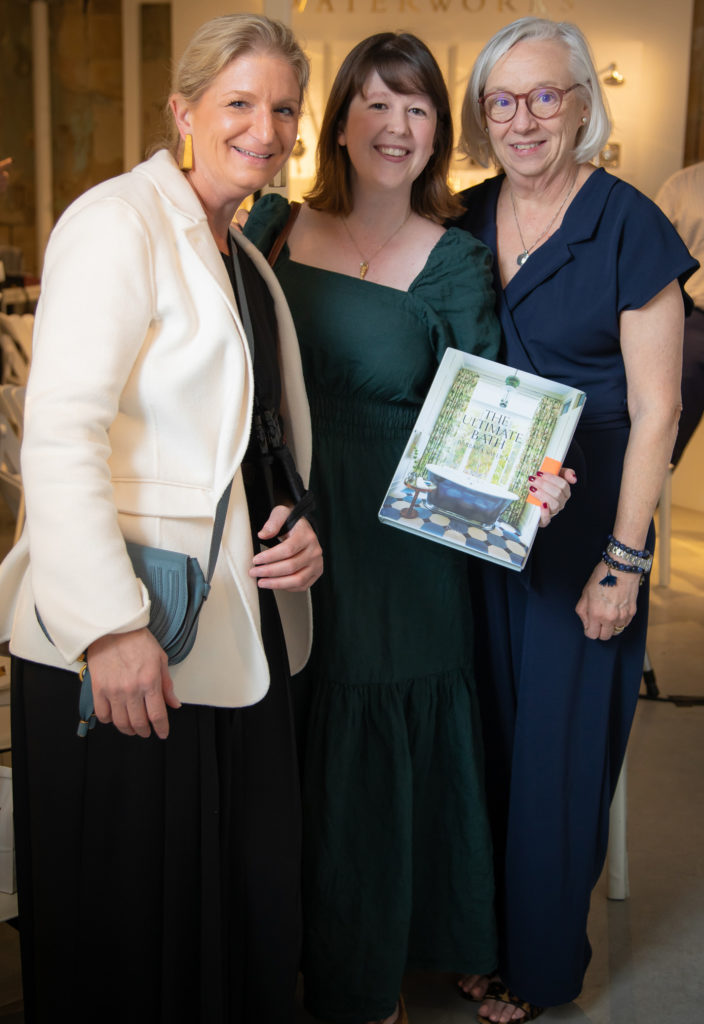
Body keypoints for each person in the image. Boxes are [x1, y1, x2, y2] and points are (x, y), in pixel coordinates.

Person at [0, 15, 322, 1024]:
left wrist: (300, 523)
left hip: (230, 618)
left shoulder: (242, 248)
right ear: (183, 111)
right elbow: (60, 434)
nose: (264, 128)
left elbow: (252, 435)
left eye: (282, 109)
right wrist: (109, 625)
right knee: (131, 916)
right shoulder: (114, 221)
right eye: (239, 104)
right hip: (133, 631)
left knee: (225, 895)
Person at [244, 32, 570, 1024]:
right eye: (377, 105)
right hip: (282, 514)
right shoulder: (267, 225)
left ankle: (371, 966)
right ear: (337, 120)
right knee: (282, 727)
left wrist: (531, 484)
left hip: (401, 545)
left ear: (439, 131)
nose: (396, 127)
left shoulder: (457, 261)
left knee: (378, 731)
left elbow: (484, 422)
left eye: (418, 108)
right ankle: (285, 948)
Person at [452, 17, 698, 1023]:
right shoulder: (460, 218)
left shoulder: (627, 225)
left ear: (581, 106)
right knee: (486, 741)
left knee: (557, 752)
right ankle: (479, 936)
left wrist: (623, 560)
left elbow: (657, 410)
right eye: (501, 101)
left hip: (588, 527)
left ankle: (538, 966)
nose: (522, 119)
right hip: (476, 521)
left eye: (544, 96)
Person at [656, 161, 704, 464]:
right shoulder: (683, 184)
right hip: (694, 324)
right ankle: (645, 507)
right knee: (666, 436)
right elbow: (653, 251)